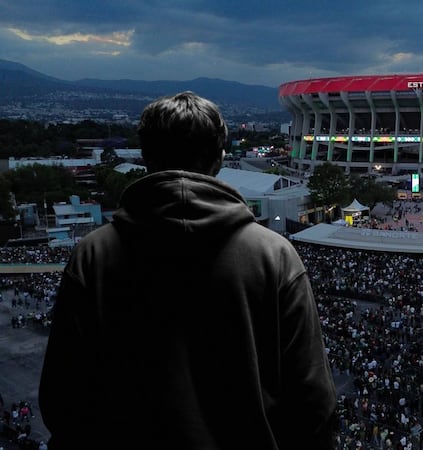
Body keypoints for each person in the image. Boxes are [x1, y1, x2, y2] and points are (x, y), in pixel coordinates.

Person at [39, 92, 337, 449]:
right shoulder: (275, 255)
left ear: (145, 156)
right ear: (219, 158)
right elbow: (313, 402)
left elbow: (62, 399)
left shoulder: (93, 255)